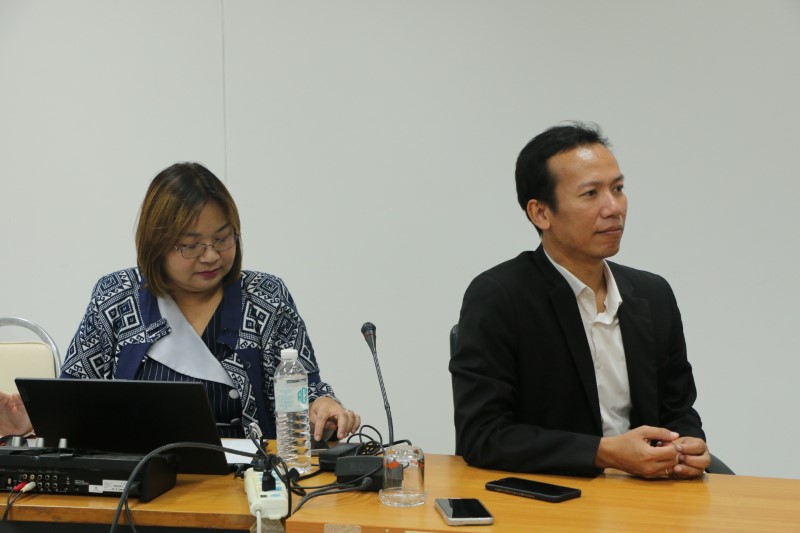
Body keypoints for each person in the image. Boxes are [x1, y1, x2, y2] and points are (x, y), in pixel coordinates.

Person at [0, 162, 360, 442]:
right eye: (191, 245)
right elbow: (75, 398)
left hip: (246, 480)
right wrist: (29, 422)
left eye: (223, 239)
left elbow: (303, 388)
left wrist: (324, 407)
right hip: (136, 479)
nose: (211, 256)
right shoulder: (117, 295)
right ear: (156, 244)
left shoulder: (265, 296)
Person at [449, 122, 710, 479]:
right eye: (590, 194)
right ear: (541, 213)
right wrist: (605, 453)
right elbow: (483, 436)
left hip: (647, 489)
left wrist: (688, 444)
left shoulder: (653, 294)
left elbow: (678, 409)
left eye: (618, 189)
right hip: (554, 493)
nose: (613, 208)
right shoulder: (499, 296)